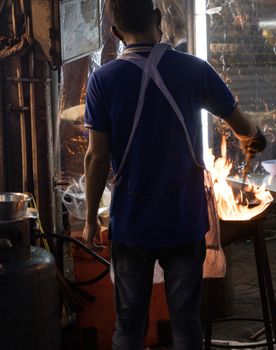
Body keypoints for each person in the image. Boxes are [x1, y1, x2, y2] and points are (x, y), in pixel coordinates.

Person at [81, 0, 265, 348]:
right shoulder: (195, 70)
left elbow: (96, 156)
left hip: (132, 222)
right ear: (158, 18)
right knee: (186, 324)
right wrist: (255, 138)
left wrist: (91, 219)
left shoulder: (102, 80)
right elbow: (243, 127)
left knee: (129, 325)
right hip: (184, 219)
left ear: (116, 33)